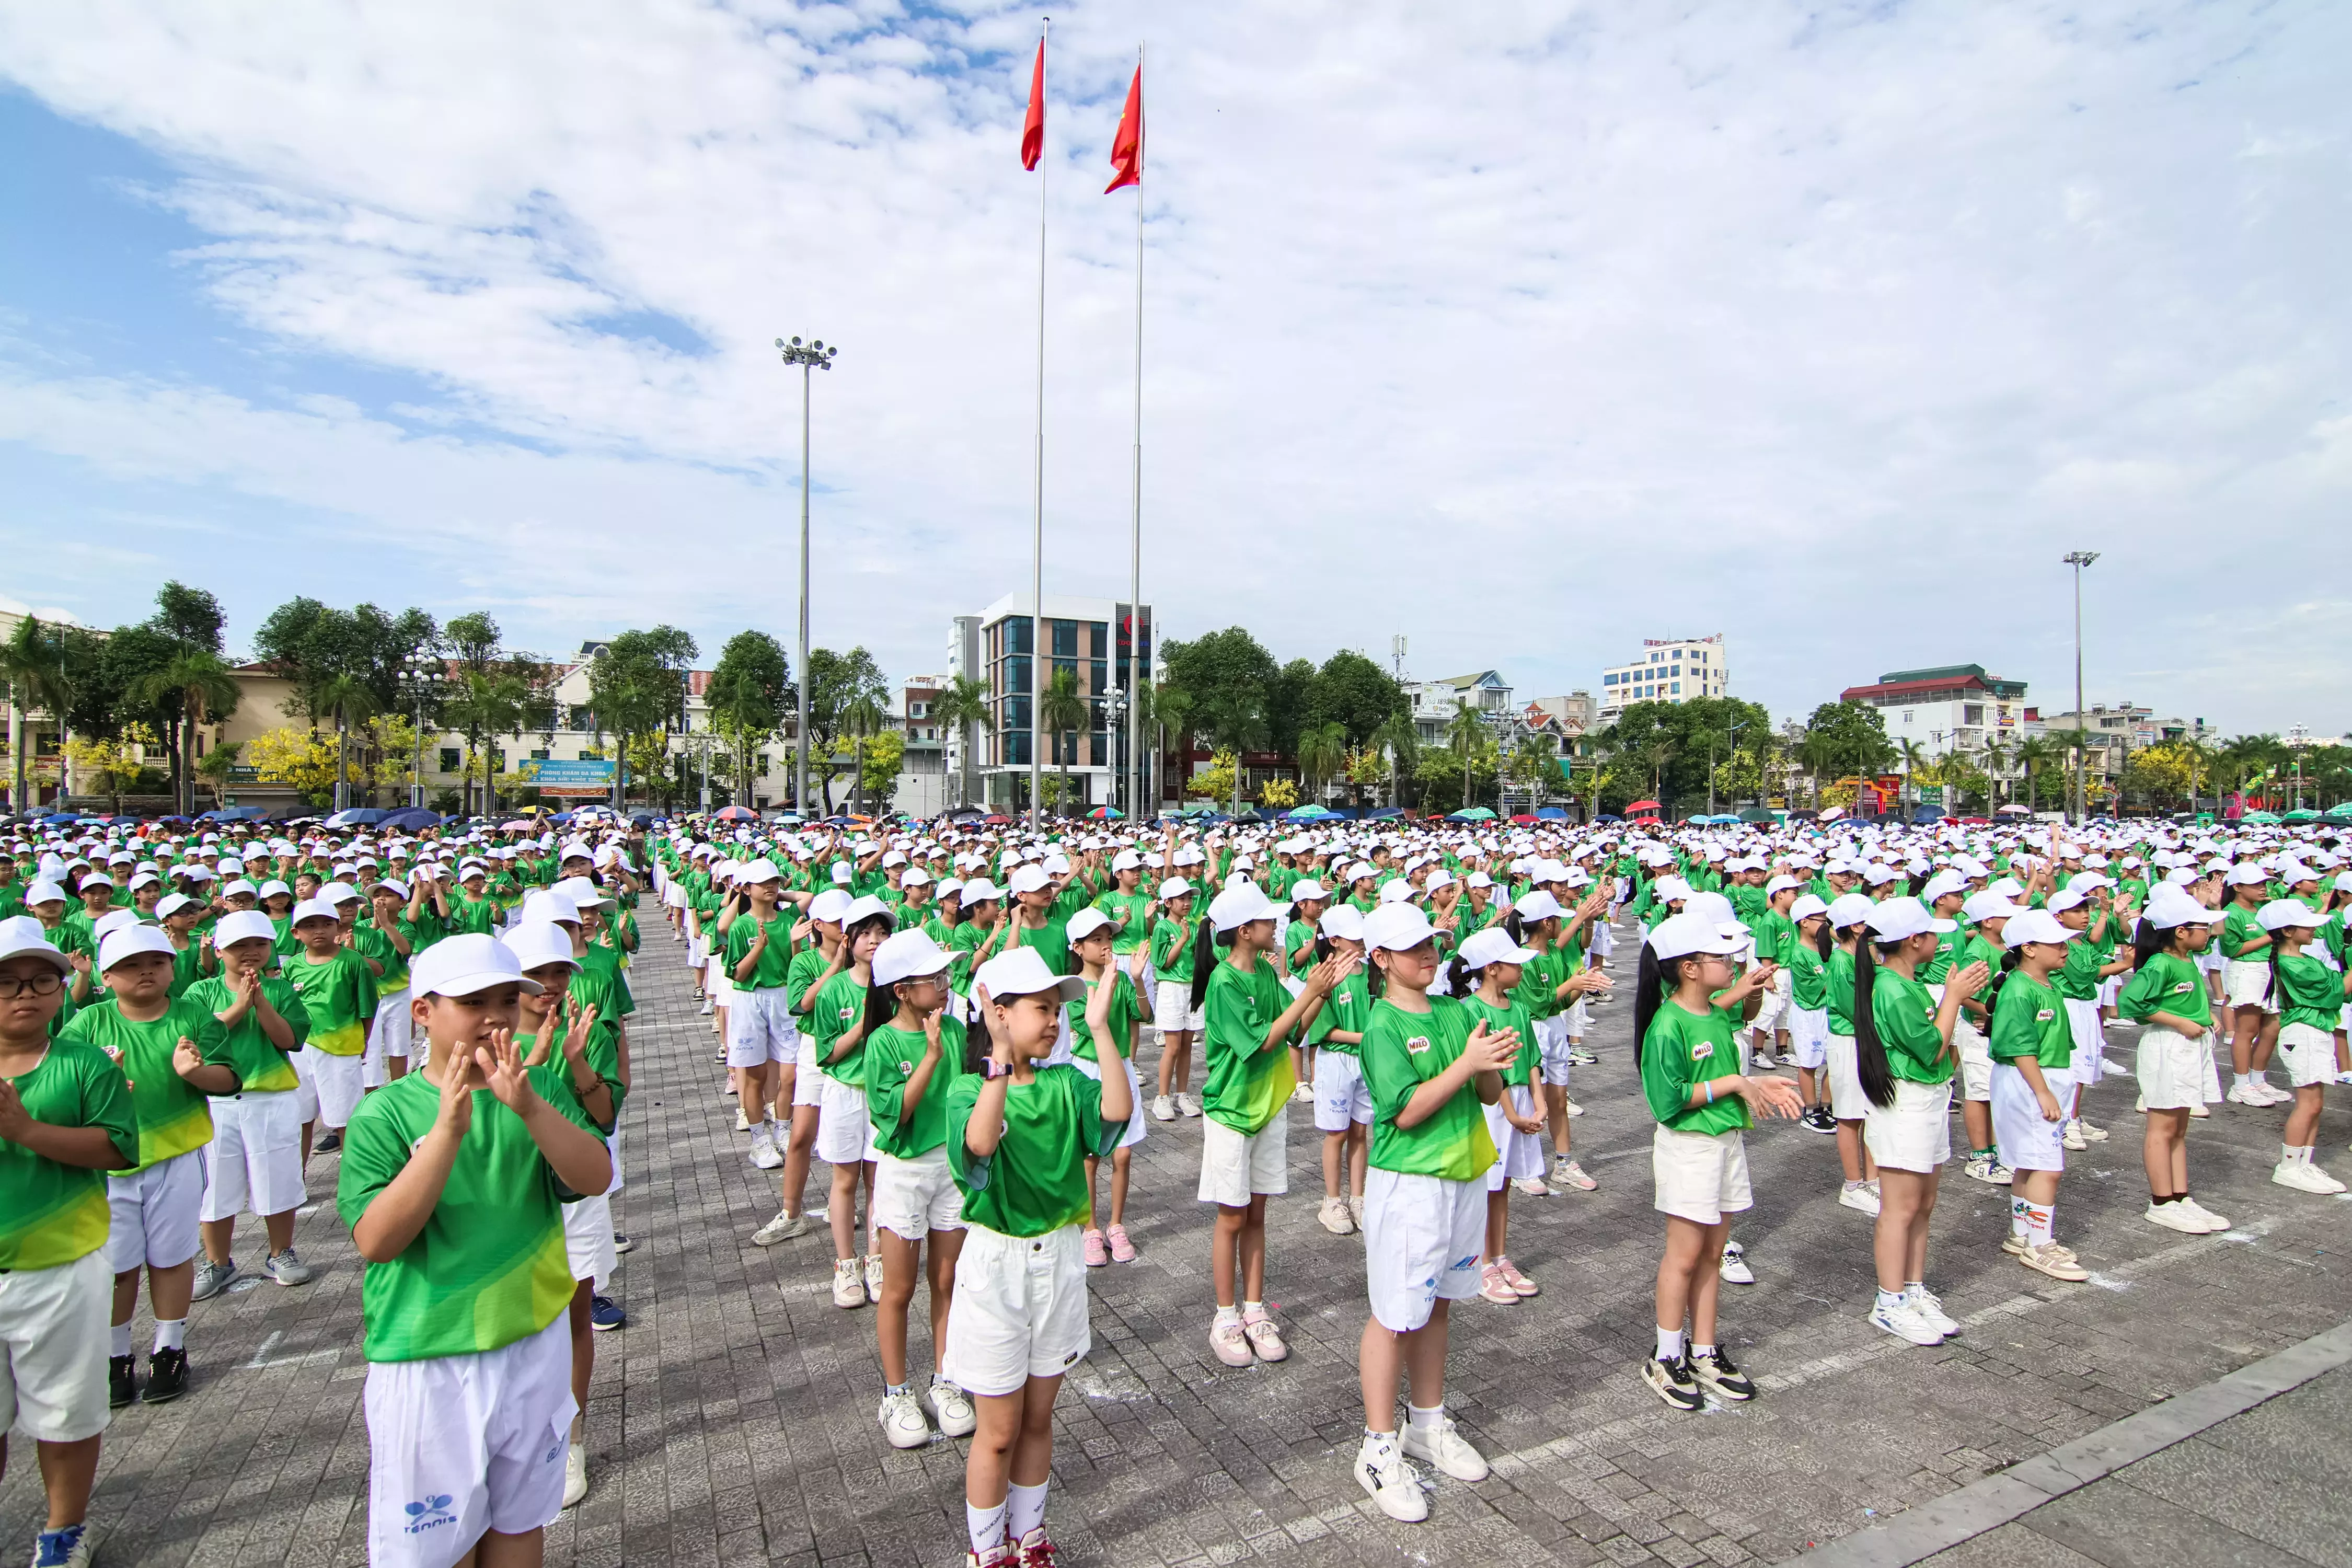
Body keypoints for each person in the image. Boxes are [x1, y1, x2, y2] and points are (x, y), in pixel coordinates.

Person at [337, 932, 612, 1568]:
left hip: (530, 1339)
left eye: (505, 999)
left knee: (520, 1525)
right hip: (430, 1357)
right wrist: (447, 1133)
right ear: (423, 1011)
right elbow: (378, 1240)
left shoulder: (535, 1086)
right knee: (439, 1548)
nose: (494, 1016)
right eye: (471, 1001)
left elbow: (594, 1176)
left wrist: (530, 1106)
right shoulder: (386, 1114)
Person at [942, 948, 1130, 1568]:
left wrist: (1102, 1031)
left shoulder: (1065, 1081)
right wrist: (998, 1063)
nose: (1055, 1021)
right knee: (997, 1432)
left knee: (1040, 1419)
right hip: (998, 1265)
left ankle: (1030, 1538)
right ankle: (987, 1549)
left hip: (1060, 1262)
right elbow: (978, 1145)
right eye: (1041, 1009)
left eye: (1058, 1010)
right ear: (998, 1012)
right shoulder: (970, 1087)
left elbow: (1116, 1113)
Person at [1347, 902, 1503, 1520]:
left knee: (1438, 1303)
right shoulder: (1382, 1023)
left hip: (1465, 1173)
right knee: (1395, 1314)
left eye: (1432, 944)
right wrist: (1467, 1063)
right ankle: (1379, 1446)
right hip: (1411, 1183)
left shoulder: (1455, 1009)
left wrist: (1488, 1062)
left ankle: (1428, 1424)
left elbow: (1490, 1091)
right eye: (1412, 948)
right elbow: (1406, 1110)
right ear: (1381, 959)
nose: (1429, 955)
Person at [0, 916, 139, 1568]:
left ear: (62, 989)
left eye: (40, 980)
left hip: (61, 1265)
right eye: (6, 983)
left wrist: (26, 1130)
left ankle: (64, 1529)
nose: (24, 994)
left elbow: (117, 1146)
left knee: (64, 1414)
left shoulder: (84, 1064)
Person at [61, 926, 239, 1410]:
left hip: (176, 1155)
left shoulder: (193, 1016)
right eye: (131, 965)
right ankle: (117, 1355)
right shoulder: (87, 1024)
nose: (146, 971)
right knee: (116, 1268)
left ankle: (170, 1347)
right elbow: (63, 1090)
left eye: (157, 962)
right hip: (108, 1165)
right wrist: (101, 1087)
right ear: (107, 975)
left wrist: (195, 1074)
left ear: (171, 967)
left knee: (171, 1257)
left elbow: (228, 1078)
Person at [1635, 910, 1803, 1412]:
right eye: (1720, 957)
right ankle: (1666, 1356)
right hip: (1690, 1149)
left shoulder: (1714, 1011)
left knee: (1713, 1253)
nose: (1732, 962)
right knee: (1684, 1256)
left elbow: (1735, 1049)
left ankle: (1704, 1349)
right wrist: (1734, 1084)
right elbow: (1668, 1101)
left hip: (1727, 1143)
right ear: (1689, 968)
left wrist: (1755, 1085)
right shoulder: (1667, 1026)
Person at [1194, 882, 1344, 1368]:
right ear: (1245, 931)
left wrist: (1322, 994)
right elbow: (1261, 1043)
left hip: (1268, 1107)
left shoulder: (1262, 969)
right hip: (1233, 1112)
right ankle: (1225, 1315)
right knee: (1232, 1216)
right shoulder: (1224, 982)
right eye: (1266, 921)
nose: (1275, 926)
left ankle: (1255, 1310)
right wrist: (1310, 994)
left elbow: (1295, 1030)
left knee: (1257, 1214)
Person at [504, 921, 620, 1509]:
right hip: (512, 1201)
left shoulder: (585, 1031)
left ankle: (571, 1441)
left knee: (575, 1319)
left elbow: (603, 1118)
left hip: (573, 1199)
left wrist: (574, 1062)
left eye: (558, 974)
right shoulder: (490, 1041)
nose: (549, 986)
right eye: (536, 976)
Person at [1852, 897, 1990, 1346]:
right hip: (1906, 1103)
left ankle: (1912, 1290)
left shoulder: (1904, 983)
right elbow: (1932, 1047)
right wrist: (1953, 997)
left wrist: (1949, 999)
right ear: (1914, 941)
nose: (1938, 942)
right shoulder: (1892, 987)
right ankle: (1889, 1301)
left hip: (1927, 1100)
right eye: (1932, 935)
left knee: (1924, 1205)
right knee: (1901, 1208)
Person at [861, 929, 978, 1449]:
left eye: (946, 974)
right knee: (899, 1288)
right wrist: (928, 1056)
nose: (946, 983)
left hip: (950, 1166)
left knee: (948, 1278)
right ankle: (895, 1393)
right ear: (902, 991)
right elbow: (895, 1115)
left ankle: (946, 1379)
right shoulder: (884, 1042)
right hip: (906, 1172)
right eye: (934, 978)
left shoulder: (955, 1029)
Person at [186, 910, 314, 1298]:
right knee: (216, 1185)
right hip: (214, 1100)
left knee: (277, 1177)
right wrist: (240, 1006)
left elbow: (290, 1039)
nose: (251, 952)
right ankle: (218, 1262)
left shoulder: (280, 990)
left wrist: (260, 1004)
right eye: (240, 946)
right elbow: (202, 1039)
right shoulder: (200, 993)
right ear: (220, 950)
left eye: (260, 944)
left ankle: (281, 1253)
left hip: (271, 1095)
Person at [2116, 884, 2231, 1230]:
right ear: (2181, 933)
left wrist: (2203, 1015)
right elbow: (2132, 1003)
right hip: (2169, 1046)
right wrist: (2180, 1021)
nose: (2209, 933)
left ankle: (2180, 1195)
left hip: (2188, 1046)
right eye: (2202, 928)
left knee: (2179, 1127)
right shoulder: (2161, 964)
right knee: (2162, 1127)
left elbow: (2186, 997)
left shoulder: (2186, 959)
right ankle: (2161, 1201)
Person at [1987, 909, 2093, 1282]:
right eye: (2056, 943)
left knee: (2030, 1163)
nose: (2065, 949)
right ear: (2028, 948)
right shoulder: (2019, 989)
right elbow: (2020, 1047)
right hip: (2030, 1081)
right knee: (2048, 1166)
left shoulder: (2046, 983)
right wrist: (2044, 1092)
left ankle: (2023, 1234)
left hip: (2039, 1079)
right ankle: (2039, 1245)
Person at [1455, 927, 1547, 1304]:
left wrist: (1539, 1104)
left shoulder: (1520, 1008)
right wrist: (1511, 1113)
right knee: (1484, 1186)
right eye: (1514, 964)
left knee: (1504, 1185)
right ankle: (1478, 1264)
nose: (1521, 970)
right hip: (1493, 1108)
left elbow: (1532, 1062)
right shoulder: (1471, 1011)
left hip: (1521, 1104)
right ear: (1492, 969)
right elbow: (1490, 1073)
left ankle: (1500, 1256)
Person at [1063, 909, 1150, 1267]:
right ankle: (1091, 1228)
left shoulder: (1123, 980)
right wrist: (1109, 986)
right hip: (1088, 1069)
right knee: (1090, 1155)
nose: (1105, 946)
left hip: (1122, 1069)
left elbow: (1143, 1015)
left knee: (1124, 1153)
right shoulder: (1074, 989)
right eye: (1096, 940)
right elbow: (1088, 1026)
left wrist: (1138, 981)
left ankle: (1116, 1224)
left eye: (1108, 938)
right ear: (1078, 948)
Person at [2260, 900, 2352, 1193]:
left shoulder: (2305, 959)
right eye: (2307, 927)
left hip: (2316, 1033)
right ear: (2287, 931)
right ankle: (2289, 1167)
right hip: (2304, 1034)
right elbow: (2337, 991)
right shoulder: (2294, 964)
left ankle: (2304, 1163)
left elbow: (2336, 983)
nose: (2313, 931)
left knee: (2316, 1105)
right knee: (2308, 1105)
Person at [285, 896, 377, 1161]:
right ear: (296, 932)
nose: (319, 931)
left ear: (338, 928)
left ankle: (353, 1180)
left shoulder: (353, 962)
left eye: (326, 924)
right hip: (301, 1051)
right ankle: (298, 1179)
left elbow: (367, 1009)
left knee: (345, 1118)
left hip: (341, 1049)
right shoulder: (292, 966)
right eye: (310, 926)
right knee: (301, 1117)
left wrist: (364, 1043)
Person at [1309, 906, 1374, 1235]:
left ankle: (1357, 1197)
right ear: (1334, 940)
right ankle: (1332, 1200)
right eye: (1354, 937)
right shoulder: (1326, 975)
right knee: (1337, 1133)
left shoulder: (1373, 971)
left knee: (1361, 1131)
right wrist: (1367, 1037)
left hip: (1368, 1060)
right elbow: (1325, 1031)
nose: (1361, 941)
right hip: (1337, 1060)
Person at [1147, 878, 1201, 1120]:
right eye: (1182, 899)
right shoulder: (1162, 928)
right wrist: (1182, 941)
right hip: (1171, 988)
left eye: (1189, 898)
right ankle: (1162, 1098)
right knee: (1173, 1046)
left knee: (1188, 1044)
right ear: (1168, 903)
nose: (1187, 903)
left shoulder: (1193, 925)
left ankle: (1182, 1094)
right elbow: (1163, 962)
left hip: (1192, 987)